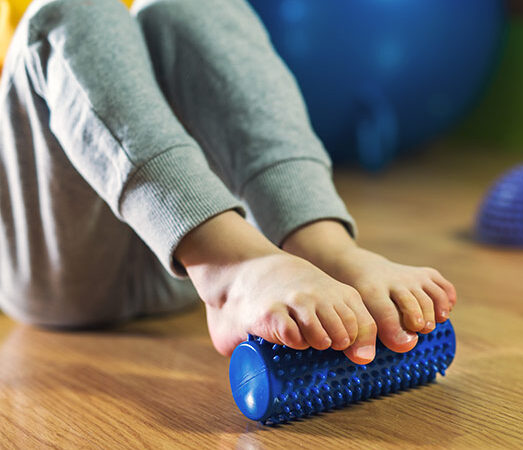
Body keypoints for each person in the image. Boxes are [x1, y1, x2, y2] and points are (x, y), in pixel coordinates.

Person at [0, 0, 456, 365]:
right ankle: (227, 267)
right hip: (63, 263)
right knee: (69, 9)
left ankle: (322, 244)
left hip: (191, 260)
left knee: (191, 5)